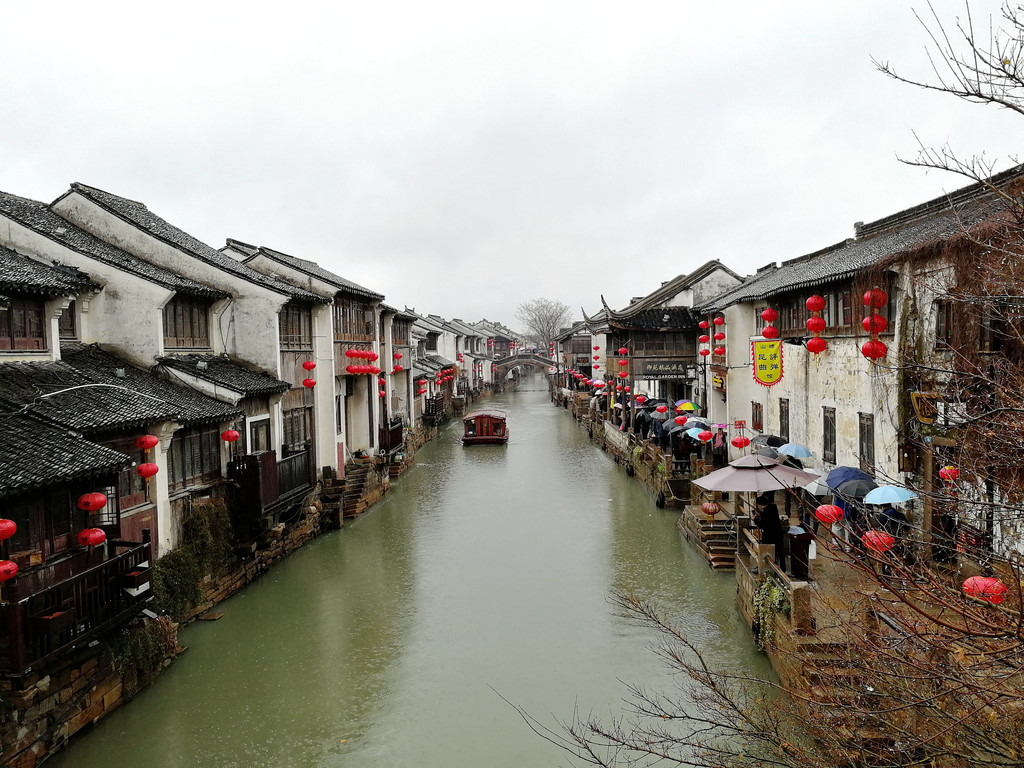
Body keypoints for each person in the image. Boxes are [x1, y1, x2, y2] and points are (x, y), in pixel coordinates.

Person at [755, 492, 786, 571]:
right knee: (780, 552)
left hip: (770, 536)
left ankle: (770, 568)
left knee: (770, 552)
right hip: (778, 533)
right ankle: (783, 568)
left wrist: (755, 519)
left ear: (761, 505)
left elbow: (762, 525)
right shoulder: (773, 507)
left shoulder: (765, 513)